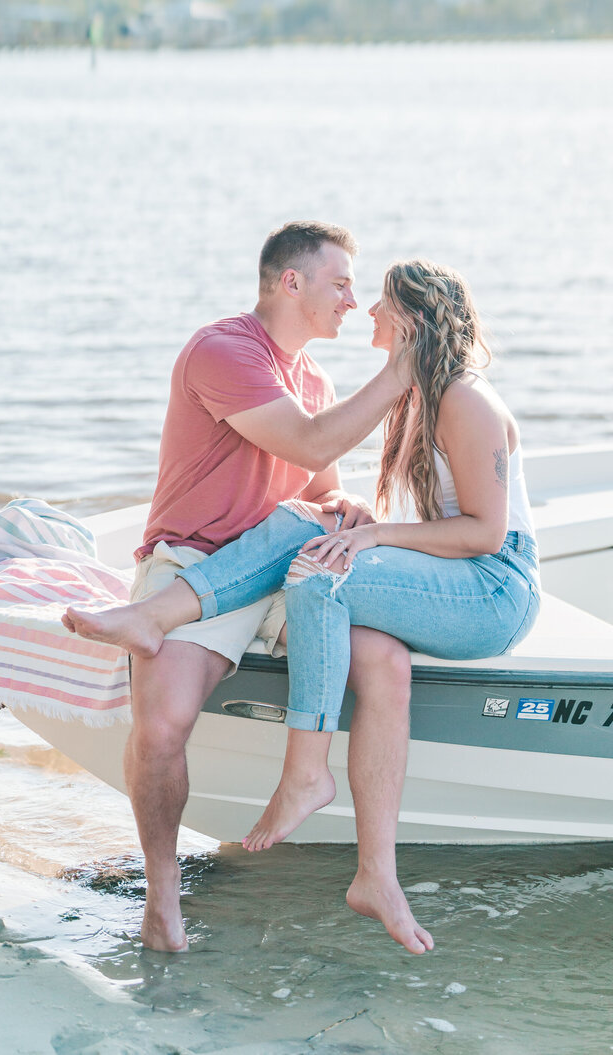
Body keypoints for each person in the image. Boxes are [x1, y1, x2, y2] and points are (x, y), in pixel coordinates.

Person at [67, 257, 539, 955]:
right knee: (323, 552)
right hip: (463, 574)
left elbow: (486, 533)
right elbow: (360, 490)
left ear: (410, 322)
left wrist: (372, 533)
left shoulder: (464, 399)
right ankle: (375, 874)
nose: (366, 311)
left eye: (378, 301)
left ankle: (305, 773)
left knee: (322, 576)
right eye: (351, 290)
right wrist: (358, 517)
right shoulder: (415, 398)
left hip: (494, 587)